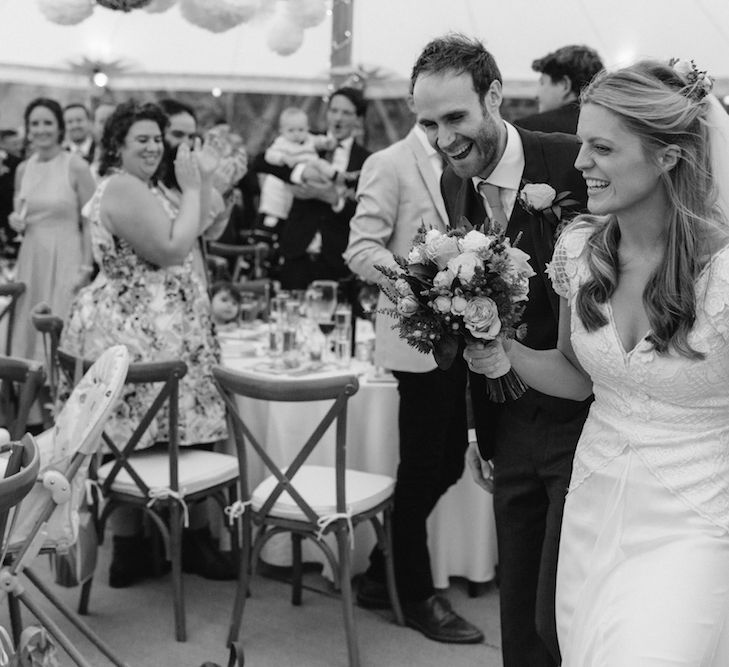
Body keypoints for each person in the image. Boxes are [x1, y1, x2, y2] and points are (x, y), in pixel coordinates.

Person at [466, 58, 729, 664]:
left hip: (696, 517)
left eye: (602, 147)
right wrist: (503, 350)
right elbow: (576, 378)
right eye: (582, 143)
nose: (580, 162)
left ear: (667, 156)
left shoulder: (721, 272)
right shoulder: (580, 248)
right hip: (593, 500)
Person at [410, 34, 591, 666]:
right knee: (517, 619)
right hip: (508, 424)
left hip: (585, 423)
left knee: (562, 617)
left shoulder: (575, 164)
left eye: (455, 118)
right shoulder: (452, 182)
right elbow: (471, 313)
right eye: (428, 123)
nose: (443, 137)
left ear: (494, 97)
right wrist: (474, 429)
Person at [60, 100, 233, 587]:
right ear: (117, 144)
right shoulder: (122, 186)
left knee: (175, 432)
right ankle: (135, 550)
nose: (154, 147)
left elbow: (194, 230)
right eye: (142, 139)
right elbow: (173, 248)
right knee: (135, 436)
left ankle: (165, 545)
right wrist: (195, 186)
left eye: (158, 139)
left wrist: (202, 190)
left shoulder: (146, 186)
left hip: (161, 329)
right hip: (140, 331)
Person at [344, 115, 483, 644]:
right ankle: (417, 594)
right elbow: (360, 250)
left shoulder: (469, 163)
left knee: (448, 460)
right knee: (423, 465)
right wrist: (420, 276)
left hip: (465, 338)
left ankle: (384, 571)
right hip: (415, 338)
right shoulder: (389, 163)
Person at [253, 87, 370, 290]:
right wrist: (298, 174)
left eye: (346, 113)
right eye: (333, 110)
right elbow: (260, 161)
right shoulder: (305, 139)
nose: (338, 118)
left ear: (358, 119)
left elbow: (365, 211)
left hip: (337, 257)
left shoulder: (367, 159)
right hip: (296, 251)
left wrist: (335, 200)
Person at [10, 98, 95, 365]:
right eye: (34, 123)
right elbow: (20, 211)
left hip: (66, 254)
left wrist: (86, 266)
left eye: (47, 122)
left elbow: (91, 220)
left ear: (60, 128)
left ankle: (61, 390)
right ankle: (27, 387)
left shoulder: (76, 166)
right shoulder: (23, 169)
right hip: (32, 255)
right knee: (28, 322)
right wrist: (15, 220)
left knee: (61, 321)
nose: (41, 129)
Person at [258, 106, 337, 230]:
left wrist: (327, 143)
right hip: (291, 173)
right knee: (273, 185)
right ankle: (273, 213)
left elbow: (320, 141)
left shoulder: (310, 139)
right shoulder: (281, 142)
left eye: (301, 130)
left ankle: (335, 174)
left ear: (307, 128)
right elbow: (268, 156)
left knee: (322, 165)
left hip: (312, 166)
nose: (296, 134)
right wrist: (283, 159)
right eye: (291, 130)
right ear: (282, 131)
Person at [515, 45, 604, 135]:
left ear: (564, 85)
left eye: (542, 82)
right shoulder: (606, 126)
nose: (536, 95)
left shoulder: (529, 129)